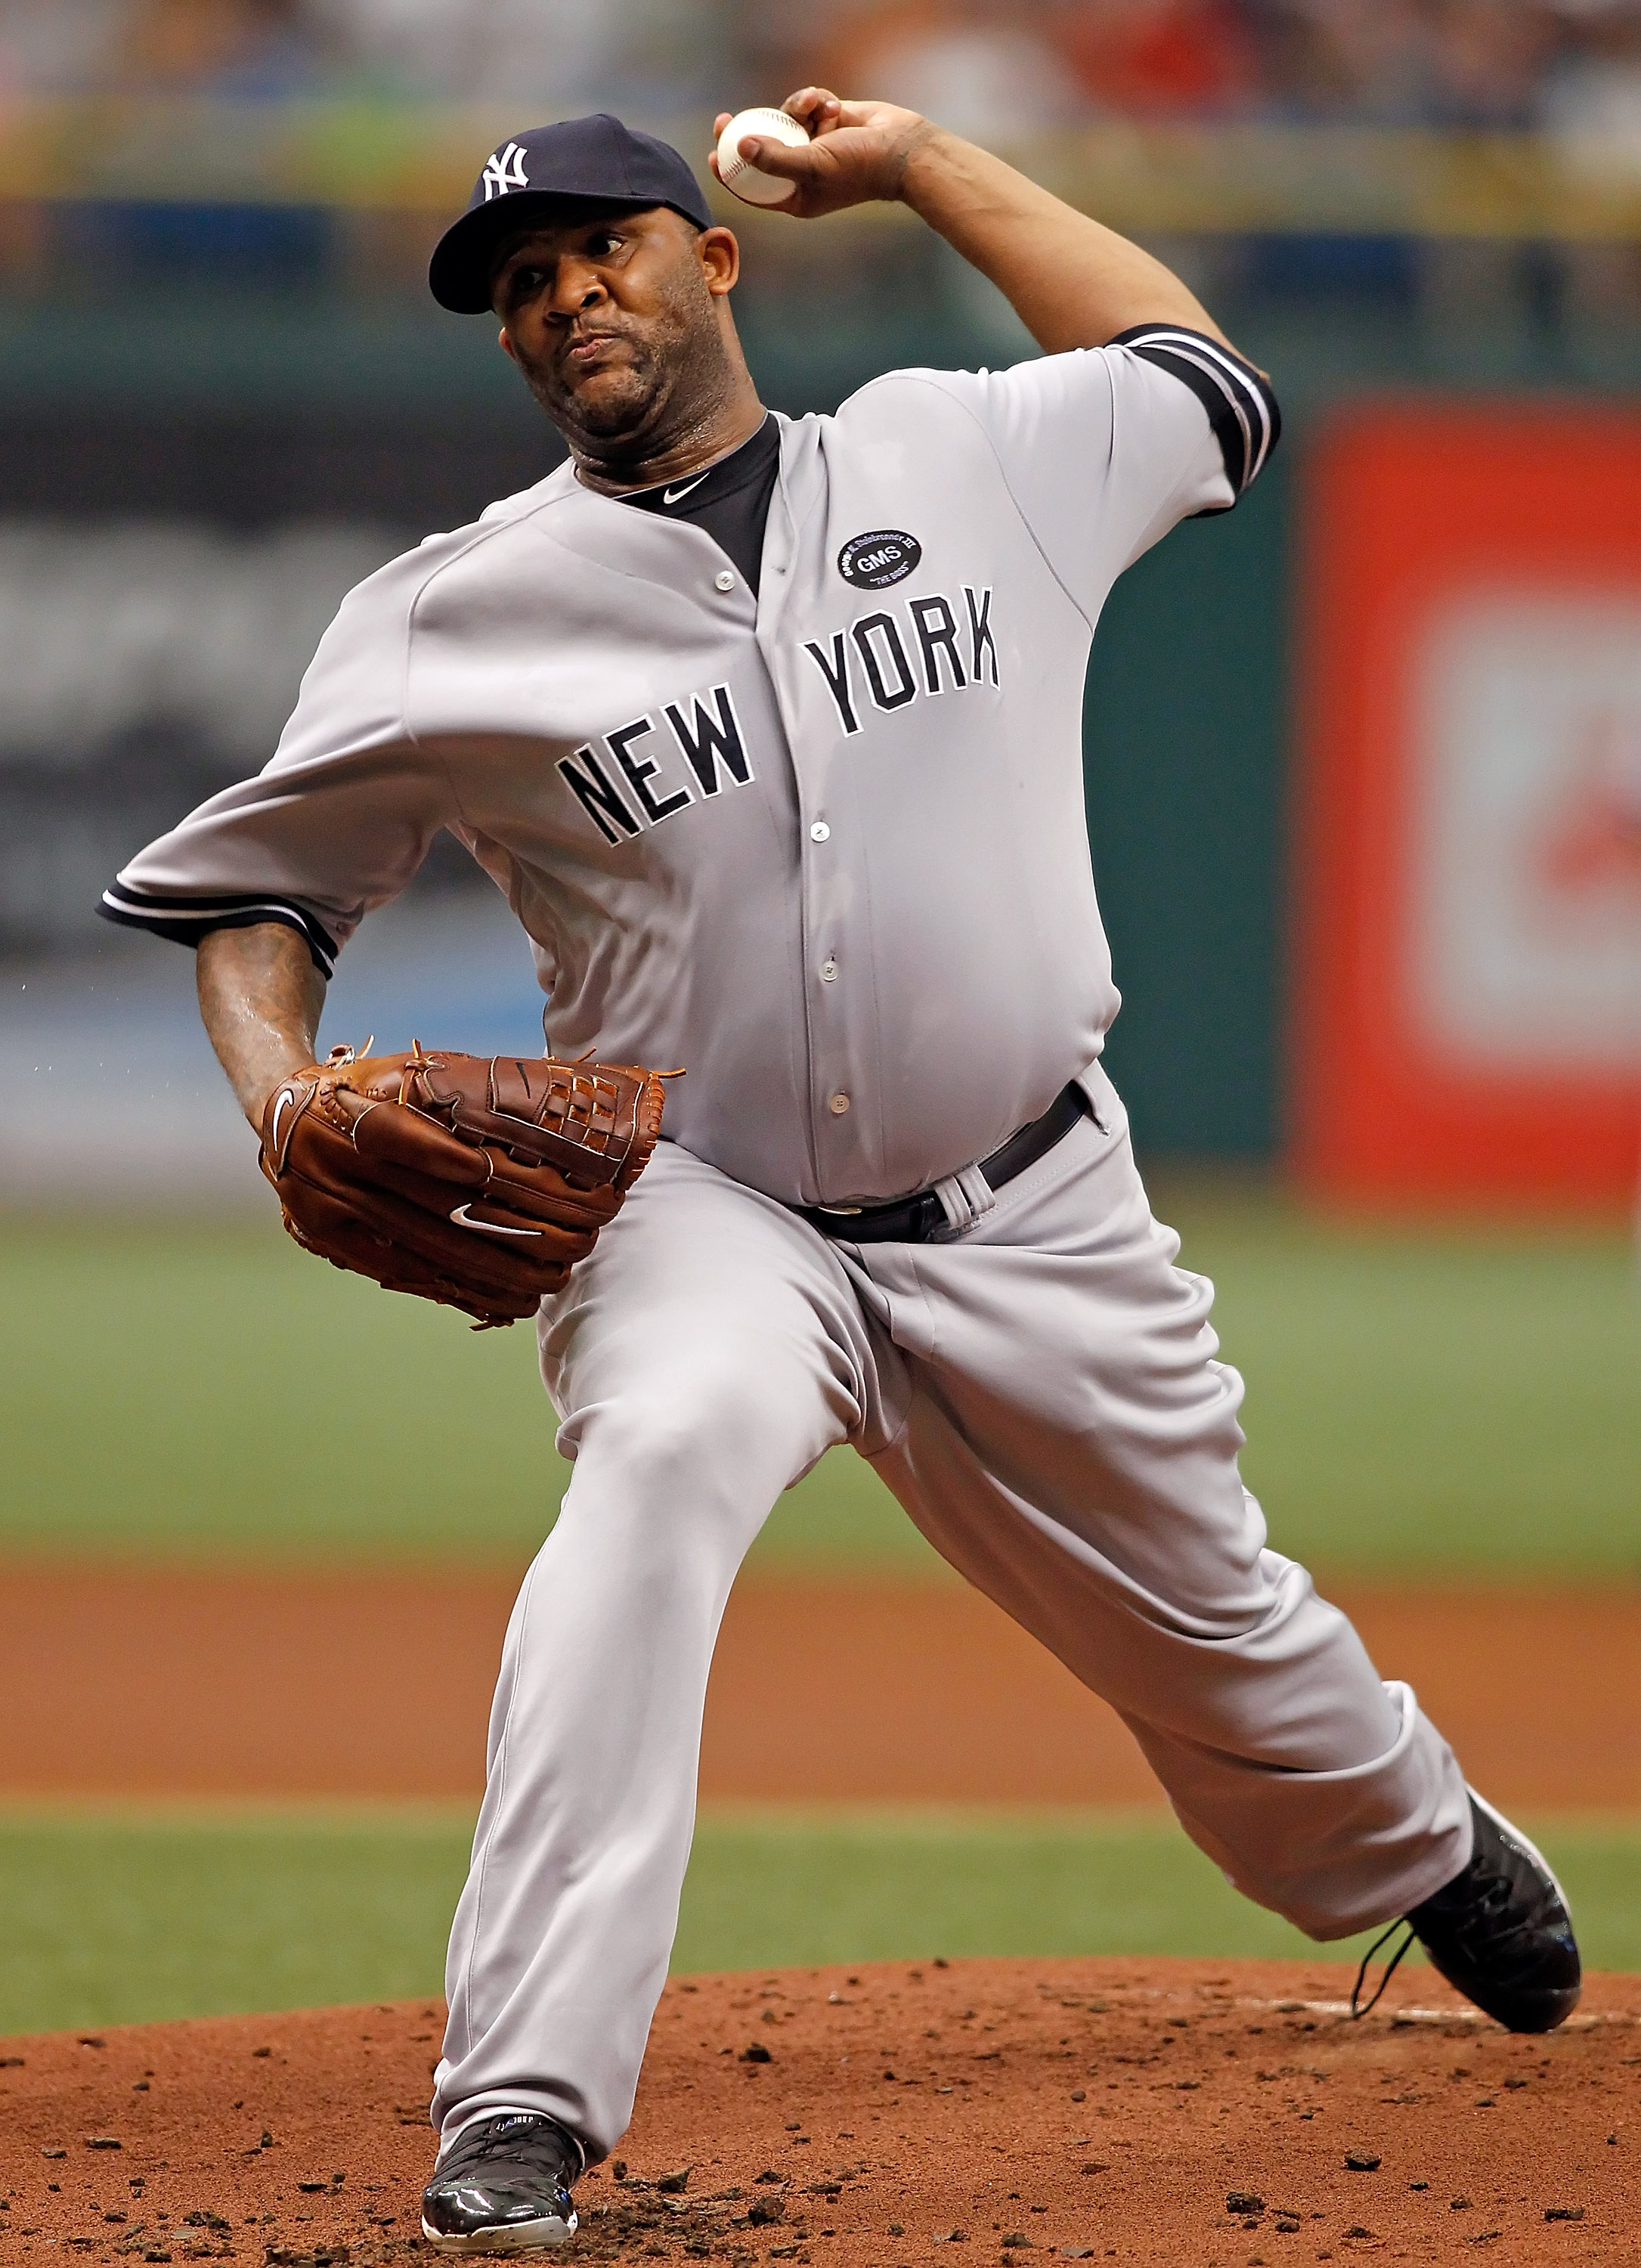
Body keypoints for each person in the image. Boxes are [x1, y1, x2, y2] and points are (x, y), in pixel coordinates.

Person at [101, 90, 1581, 2256]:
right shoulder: (453, 615)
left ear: (715, 259)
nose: (559, 298)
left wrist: (921, 168)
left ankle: (1408, 1831)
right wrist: (276, 1086)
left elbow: (1200, 375)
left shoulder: (966, 456)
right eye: (518, 287)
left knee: (1222, 1642)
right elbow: (254, 889)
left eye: (598, 248)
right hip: (705, 1211)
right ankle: (519, 2101)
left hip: (1031, 1204)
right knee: (655, 1473)